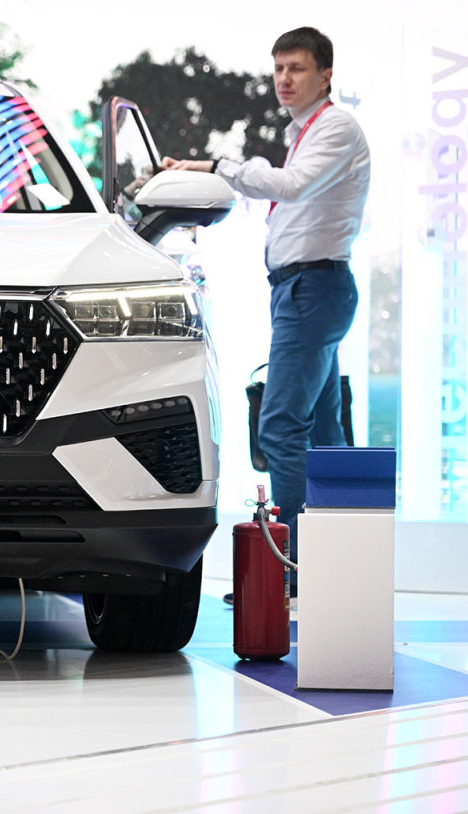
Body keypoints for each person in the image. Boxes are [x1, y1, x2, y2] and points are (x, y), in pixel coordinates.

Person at [160, 26, 369, 602]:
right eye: (279, 68)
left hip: (314, 291)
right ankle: (333, 565)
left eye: (296, 68)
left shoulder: (337, 128)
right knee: (323, 433)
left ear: (326, 75)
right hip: (304, 291)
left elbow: (293, 187)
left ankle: (292, 567)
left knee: (280, 427)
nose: (284, 79)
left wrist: (222, 166)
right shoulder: (306, 131)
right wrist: (205, 168)